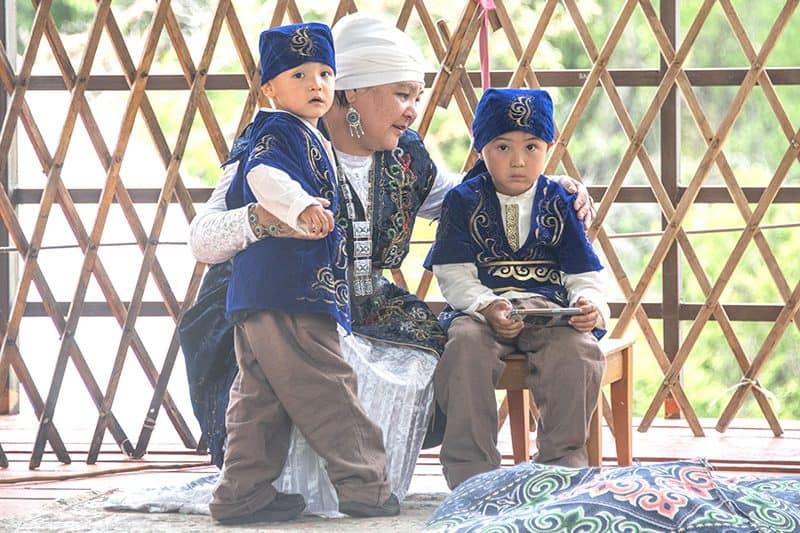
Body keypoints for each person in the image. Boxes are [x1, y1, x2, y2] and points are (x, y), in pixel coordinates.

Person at [182, 12, 594, 516]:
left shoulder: (406, 156)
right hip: (275, 294)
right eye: (402, 94)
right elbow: (202, 239)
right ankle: (324, 489)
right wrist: (264, 218)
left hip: (365, 300)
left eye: (417, 96)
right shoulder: (284, 140)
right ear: (354, 92)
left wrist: (553, 188)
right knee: (323, 371)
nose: (413, 111)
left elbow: (472, 200)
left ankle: (351, 488)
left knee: (420, 356)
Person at [208, 22, 398, 525]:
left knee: (257, 399)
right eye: (299, 74)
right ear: (269, 87)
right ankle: (367, 487)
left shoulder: (303, 133)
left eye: (324, 73)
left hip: (259, 293)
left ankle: (241, 494)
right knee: (327, 388)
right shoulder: (277, 131)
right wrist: (301, 206)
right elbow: (263, 178)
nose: (316, 84)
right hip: (291, 289)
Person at [427, 87, 609, 490]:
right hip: (481, 312)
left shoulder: (560, 199)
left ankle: (560, 469)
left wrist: (588, 303)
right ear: (481, 149)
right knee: (463, 348)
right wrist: (486, 305)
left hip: (548, 311)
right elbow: (453, 272)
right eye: (503, 147)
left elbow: (583, 272)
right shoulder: (463, 200)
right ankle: (471, 474)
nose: (518, 160)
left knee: (579, 351)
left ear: (550, 147)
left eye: (531, 146)